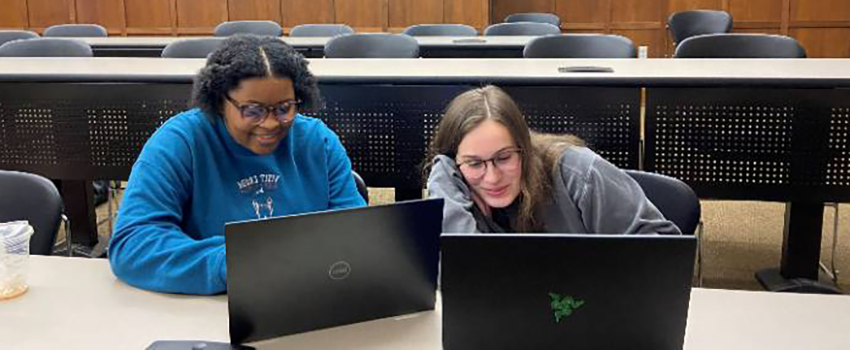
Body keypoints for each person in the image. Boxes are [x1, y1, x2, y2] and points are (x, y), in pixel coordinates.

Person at [109, 35, 366, 295]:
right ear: (220, 101)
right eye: (252, 110)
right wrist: (234, 264)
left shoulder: (318, 141)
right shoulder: (181, 142)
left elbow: (356, 232)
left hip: (307, 298)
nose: (270, 123)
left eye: (284, 108)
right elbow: (134, 243)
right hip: (206, 308)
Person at [424, 85, 680, 235]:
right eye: (475, 163)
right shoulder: (455, 179)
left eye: (503, 158)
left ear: (523, 146)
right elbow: (454, 273)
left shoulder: (580, 173)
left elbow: (663, 245)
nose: (492, 177)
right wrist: (442, 176)